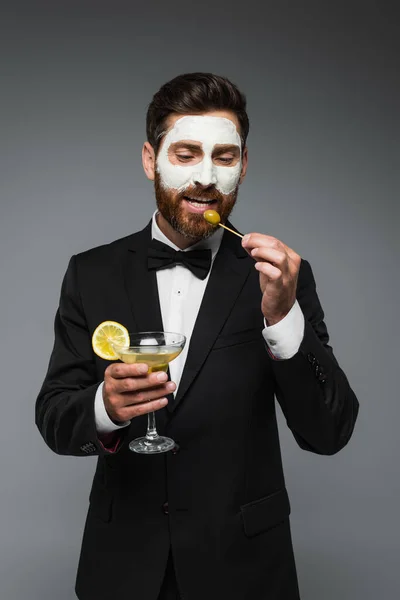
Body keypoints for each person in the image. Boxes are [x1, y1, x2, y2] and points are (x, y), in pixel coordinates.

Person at [36, 72, 359, 600]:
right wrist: (106, 407)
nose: (205, 176)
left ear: (244, 165)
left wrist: (281, 319)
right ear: (149, 159)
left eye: (224, 158)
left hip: (246, 570)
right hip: (123, 569)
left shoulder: (279, 279)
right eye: (185, 154)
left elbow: (330, 432)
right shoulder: (90, 273)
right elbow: (53, 418)